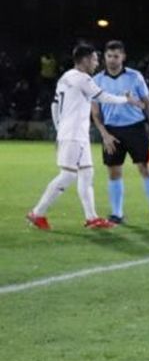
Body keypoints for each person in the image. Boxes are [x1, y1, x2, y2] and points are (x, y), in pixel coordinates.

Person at [26, 44, 134, 230]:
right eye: (94, 59)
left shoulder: (66, 77)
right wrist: (126, 99)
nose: (96, 62)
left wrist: (60, 128)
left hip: (75, 134)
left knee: (86, 174)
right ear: (84, 60)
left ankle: (91, 218)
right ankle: (37, 213)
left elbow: (54, 105)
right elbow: (103, 97)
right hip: (74, 134)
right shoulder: (82, 78)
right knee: (68, 175)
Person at [91, 40, 149, 225]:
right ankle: (117, 213)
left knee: (145, 168)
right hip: (112, 130)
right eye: (109, 56)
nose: (112, 60)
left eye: (116, 56)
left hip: (135, 127)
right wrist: (104, 133)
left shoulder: (134, 76)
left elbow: (146, 102)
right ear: (104, 57)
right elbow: (95, 112)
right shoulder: (97, 80)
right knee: (114, 171)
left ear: (123, 57)